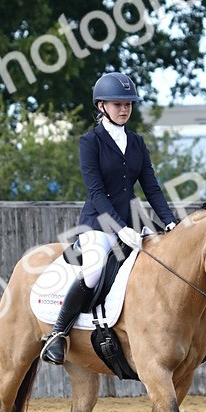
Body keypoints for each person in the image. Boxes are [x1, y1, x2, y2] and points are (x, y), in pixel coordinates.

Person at [41, 72, 178, 364]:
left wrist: (170, 222)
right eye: (117, 104)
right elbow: (97, 192)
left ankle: (180, 336)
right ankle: (58, 333)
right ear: (101, 105)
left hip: (135, 223)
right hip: (99, 224)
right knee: (92, 271)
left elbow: (151, 187)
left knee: (168, 265)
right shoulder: (89, 142)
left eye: (128, 103)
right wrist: (120, 228)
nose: (124, 108)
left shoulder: (137, 142)